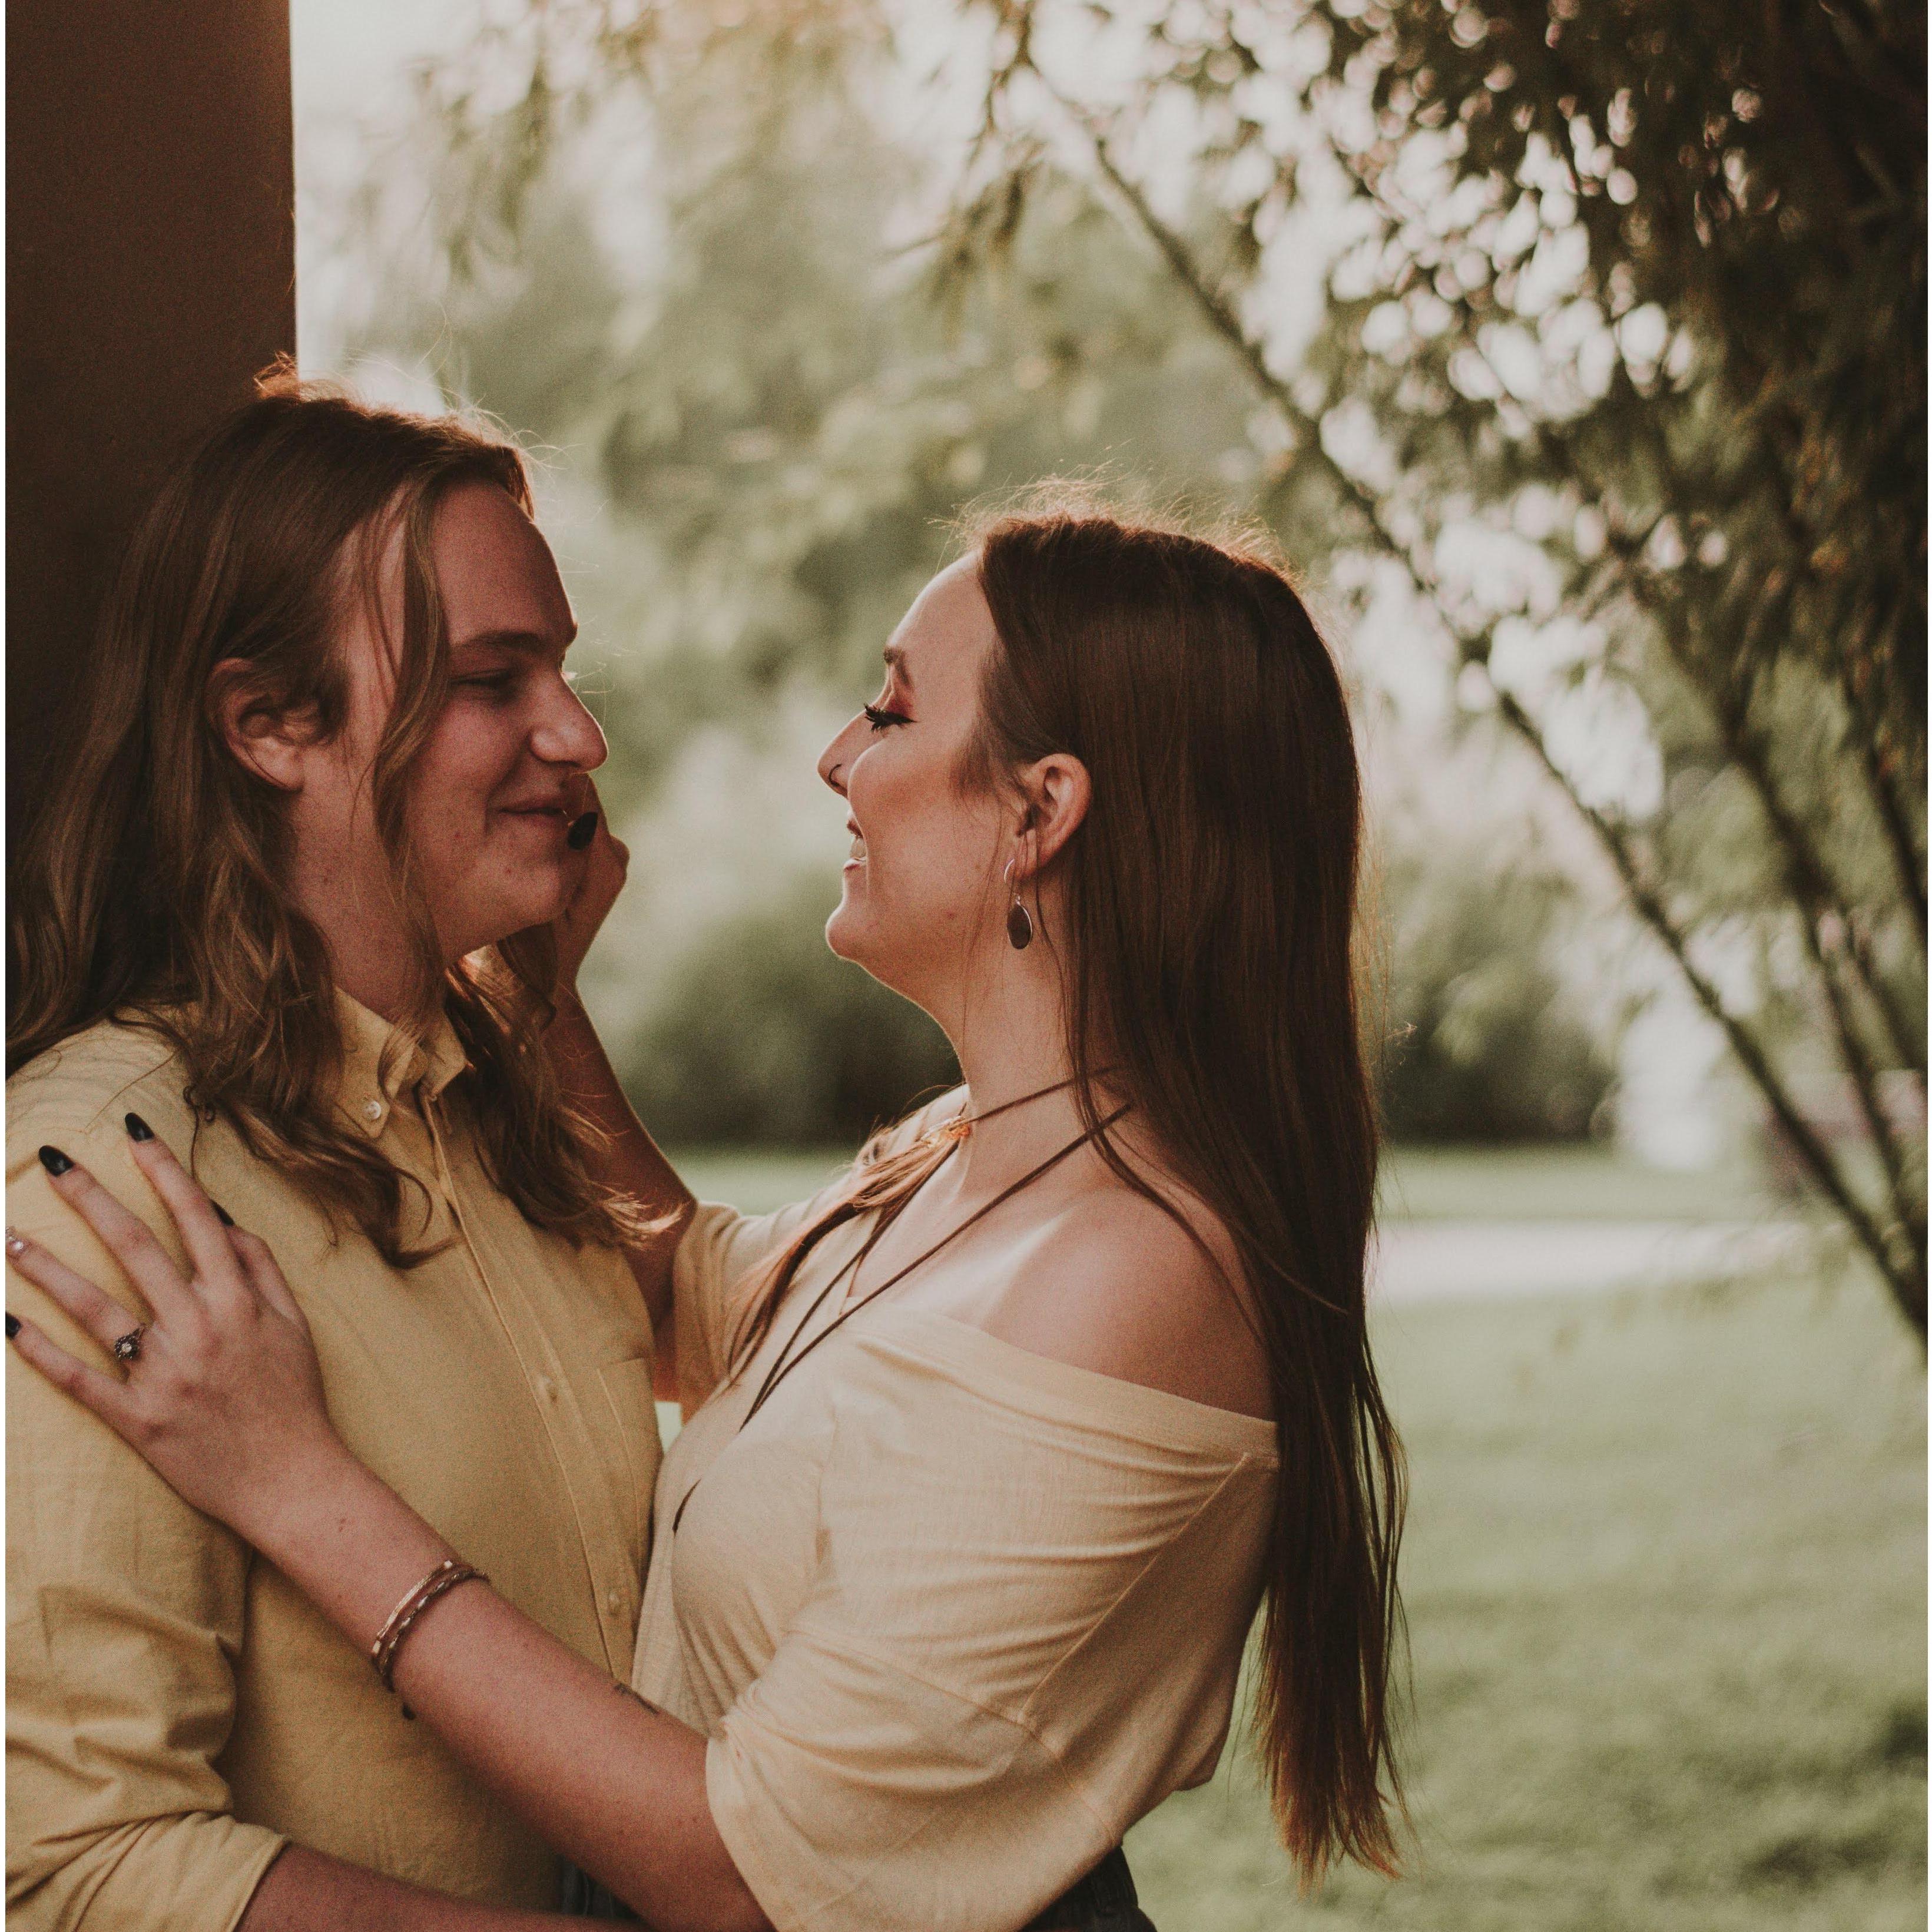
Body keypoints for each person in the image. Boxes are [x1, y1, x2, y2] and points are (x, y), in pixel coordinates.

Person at [8, 500, 1409, 1932]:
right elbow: (700, 1300)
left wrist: (295, 1482)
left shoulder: (1135, 1281)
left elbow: (741, 1878)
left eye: (890, 709)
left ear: (1041, 811)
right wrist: (539, 1007)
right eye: (495, 679)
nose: (837, 758)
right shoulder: (974, 1162)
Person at [5, 373, 691, 1929]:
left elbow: (718, 1337)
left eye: (562, 673)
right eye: (490, 682)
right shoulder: (108, 1179)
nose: (577, 736)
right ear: (268, 724)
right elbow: (65, 1872)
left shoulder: (503, 1120)